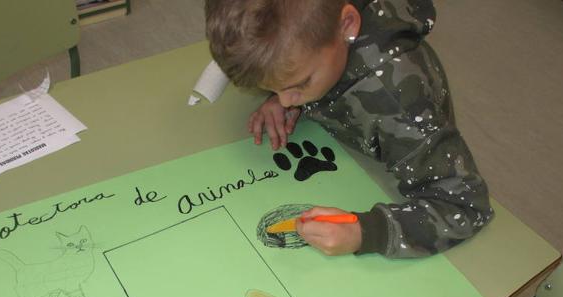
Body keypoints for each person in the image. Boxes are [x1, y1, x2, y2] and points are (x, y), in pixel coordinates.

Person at [205, 0, 493, 258]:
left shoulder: (400, 105)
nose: (284, 99)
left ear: (347, 25)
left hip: (403, 147)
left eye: (299, 85)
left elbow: (466, 205)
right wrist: (287, 97)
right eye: (272, 88)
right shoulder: (315, 37)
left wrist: (366, 232)